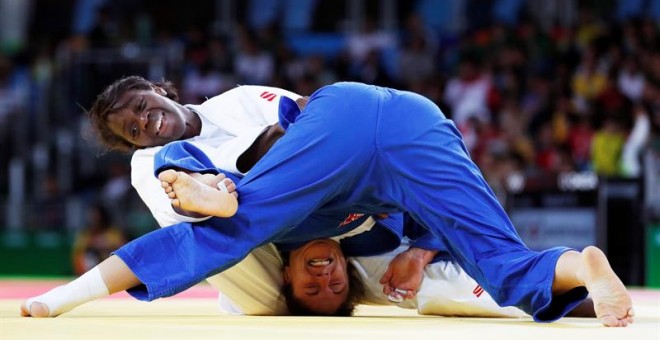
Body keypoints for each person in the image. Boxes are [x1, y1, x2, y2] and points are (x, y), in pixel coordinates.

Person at [27, 81, 627, 325]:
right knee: (498, 262)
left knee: (232, 224)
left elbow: (318, 120)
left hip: (338, 130)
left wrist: (227, 198)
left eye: (139, 105)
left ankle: (207, 199)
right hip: (411, 125)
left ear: (161, 89)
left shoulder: (237, 103)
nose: (143, 121)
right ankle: (582, 266)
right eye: (131, 128)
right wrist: (419, 251)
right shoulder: (152, 163)